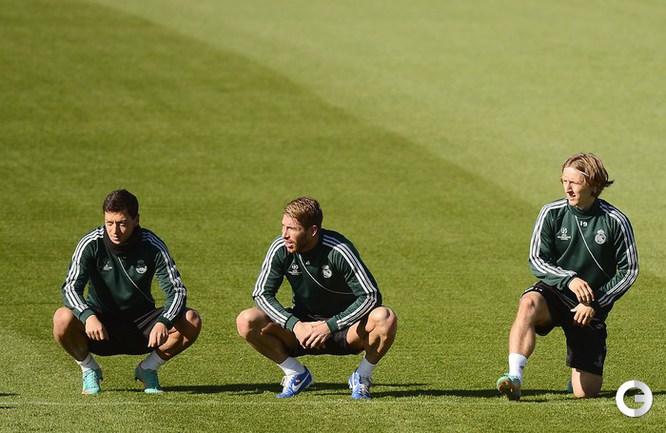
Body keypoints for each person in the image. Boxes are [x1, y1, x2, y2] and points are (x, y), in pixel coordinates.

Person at [496, 153, 638, 400]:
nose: (567, 188)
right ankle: (514, 377)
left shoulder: (615, 221)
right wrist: (569, 279)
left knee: (585, 392)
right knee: (529, 302)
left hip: (589, 306)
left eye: (574, 182)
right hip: (556, 292)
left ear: (593, 185)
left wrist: (594, 303)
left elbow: (630, 270)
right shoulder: (551, 213)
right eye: (564, 181)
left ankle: (577, 378)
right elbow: (537, 259)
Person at [237, 197, 397, 399]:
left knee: (385, 317)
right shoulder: (280, 247)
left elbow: (371, 295)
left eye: (292, 229)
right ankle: (295, 373)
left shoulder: (338, 249)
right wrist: (296, 325)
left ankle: (362, 376)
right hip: (302, 329)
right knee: (247, 320)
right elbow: (261, 294)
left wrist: (329, 326)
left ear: (313, 231)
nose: (284, 234)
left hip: (345, 329)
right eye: (283, 226)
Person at [53, 189, 202, 395]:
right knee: (62, 318)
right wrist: (88, 317)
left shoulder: (152, 245)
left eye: (122, 223)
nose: (115, 230)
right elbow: (70, 287)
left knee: (191, 319)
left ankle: (148, 368)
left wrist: (164, 322)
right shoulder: (91, 243)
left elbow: (176, 291)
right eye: (109, 223)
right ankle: (89, 369)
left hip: (142, 327)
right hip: (100, 326)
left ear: (136, 220)